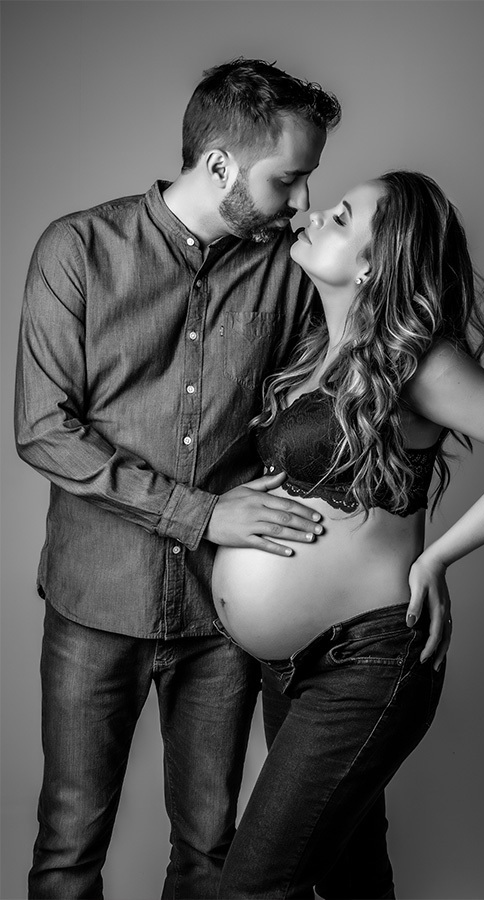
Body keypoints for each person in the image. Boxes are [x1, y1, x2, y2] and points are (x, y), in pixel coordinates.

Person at [14, 58, 341, 900]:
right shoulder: (76, 250)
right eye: (288, 179)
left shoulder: (289, 271)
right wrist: (199, 514)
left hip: (221, 613)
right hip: (95, 602)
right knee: (68, 847)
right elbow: (43, 431)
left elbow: (325, 413)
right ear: (221, 164)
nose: (304, 202)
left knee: (209, 851)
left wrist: (416, 556)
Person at [212, 171, 484, 899]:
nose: (316, 213)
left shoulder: (417, 362)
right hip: (291, 666)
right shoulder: (312, 348)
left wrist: (438, 557)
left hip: (366, 662)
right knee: (352, 879)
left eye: (341, 217)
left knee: (255, 887)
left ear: (372, 264)